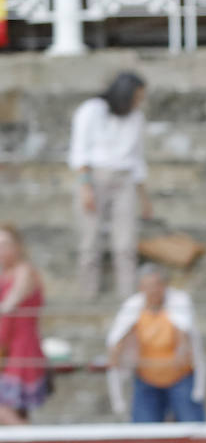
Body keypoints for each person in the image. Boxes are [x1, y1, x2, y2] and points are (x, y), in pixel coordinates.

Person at [70, 71, 150, 299]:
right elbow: (80, 151)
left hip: (125, 179)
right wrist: (85, 187)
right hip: (94, 177)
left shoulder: (136, 117)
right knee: (89, 240)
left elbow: (137, 158)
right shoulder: (92, 110)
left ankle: (127, 296)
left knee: (125, 243)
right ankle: (88, 294)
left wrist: (144, 198)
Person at [106, 263, 206, 423]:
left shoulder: (178, 302)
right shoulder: (133, 307)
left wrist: (181, 354)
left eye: (157, 285)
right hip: (147, 381)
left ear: (164, 286)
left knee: (193, 429)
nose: (153, 290)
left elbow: (184, 334)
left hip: (180, 378)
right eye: (148, 286)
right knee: (143, 434)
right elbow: (117, 340)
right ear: (141, 288)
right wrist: (118, 359)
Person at [0, 224, 49, 424]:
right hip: (7, 348)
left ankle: (35, 442)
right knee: (17, 411)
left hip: (22, 347)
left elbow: (9, 304)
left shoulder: (25, 271)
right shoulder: (6, 274)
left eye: (5, 244)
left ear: (17, 246)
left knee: (7, 407)